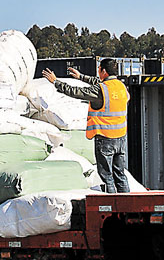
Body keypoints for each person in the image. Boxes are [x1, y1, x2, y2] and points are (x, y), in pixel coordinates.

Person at [42, 58, 130, 193]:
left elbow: (76, 92)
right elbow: (102, 85)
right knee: (120, 175)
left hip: (105, 138)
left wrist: (56, 82)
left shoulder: (101, 90)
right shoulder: (121, 87)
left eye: (99, 70)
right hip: (121, 138)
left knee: (107, 177)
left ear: (103, 71)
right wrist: (81, 77)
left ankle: (113, 208)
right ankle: (127, 208)